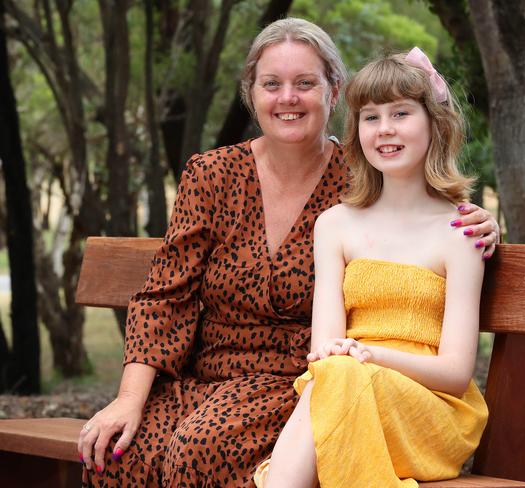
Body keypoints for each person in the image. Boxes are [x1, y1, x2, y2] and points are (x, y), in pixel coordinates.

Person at [78, 19, 498, 488]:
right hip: (210, 378)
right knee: (118, 455)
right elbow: (164, 296)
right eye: (271, 84)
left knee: (203, 449)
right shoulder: (214, 176)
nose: (287, 98)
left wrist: (481, 221)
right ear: (251, 94)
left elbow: (418, 205)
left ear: (333, 92)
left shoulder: (359, 180)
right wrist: (129, 398)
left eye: (305, 83)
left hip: (296, 384)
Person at [256, 49, 489, 488]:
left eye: (400, 113)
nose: (384, 130)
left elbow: (457, 375)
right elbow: (325, 348)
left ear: (434, 123)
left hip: (430, 410)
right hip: (345, 388)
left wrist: (372, 357)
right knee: (334, 377)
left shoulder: (461, 231)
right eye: (370, 117)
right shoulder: (335, 225)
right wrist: (353, 363)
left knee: (337, 380)